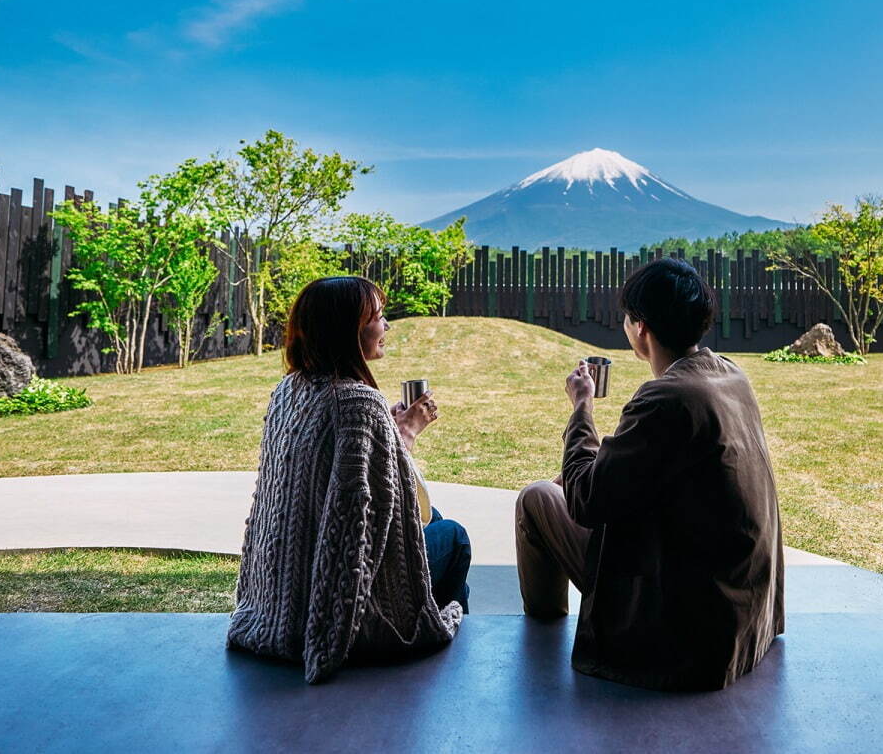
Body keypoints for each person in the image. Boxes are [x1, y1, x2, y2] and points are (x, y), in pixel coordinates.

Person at [514, 257, 785, 691]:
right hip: (747, 613)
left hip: (688, 632)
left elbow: (586, 501)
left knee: (537, 498)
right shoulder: (731, 375)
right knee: (559, 486)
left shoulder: (666, 397)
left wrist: (582, 406)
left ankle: (542, 633)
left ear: (640, 327)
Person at [227, 276, 467, 684]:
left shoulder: (288, 390)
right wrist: (404, 435)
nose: (387, 325)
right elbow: (367, 518)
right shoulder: (357, 401)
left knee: (435, 516)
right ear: (348, 331)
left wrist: (384, 435)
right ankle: (436, 665)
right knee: (455, 536)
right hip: (332, 597)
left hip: (282, 589)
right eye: (377, 317)